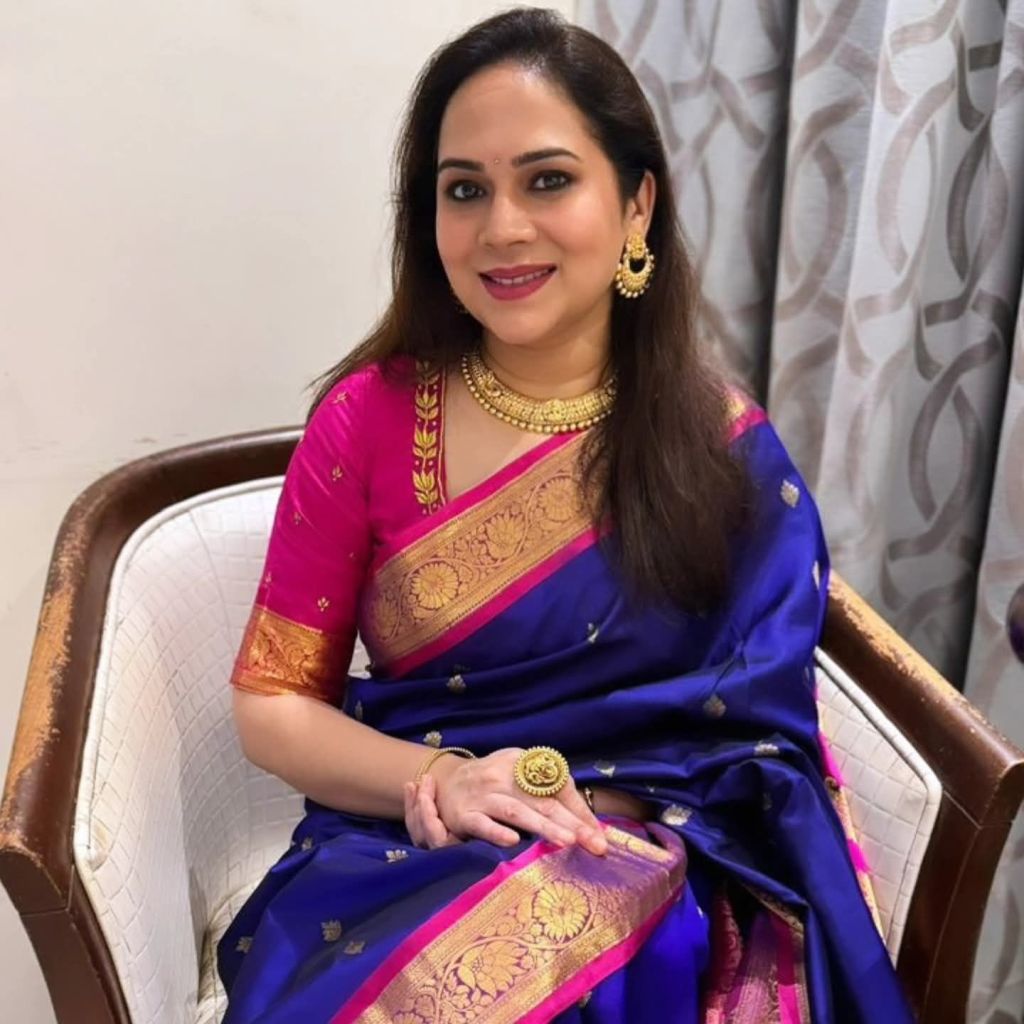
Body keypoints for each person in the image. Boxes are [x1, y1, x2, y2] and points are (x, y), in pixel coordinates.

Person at [217, 8, 913, 1022]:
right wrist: (451, 780)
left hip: (649, 845)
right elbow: (273, 704)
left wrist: (601, 813)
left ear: (636, 204)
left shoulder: (720, 453)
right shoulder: (364, 421)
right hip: (414, 836)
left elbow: (754, 738)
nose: (502, 228)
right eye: (465, 190)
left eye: (547, 180)